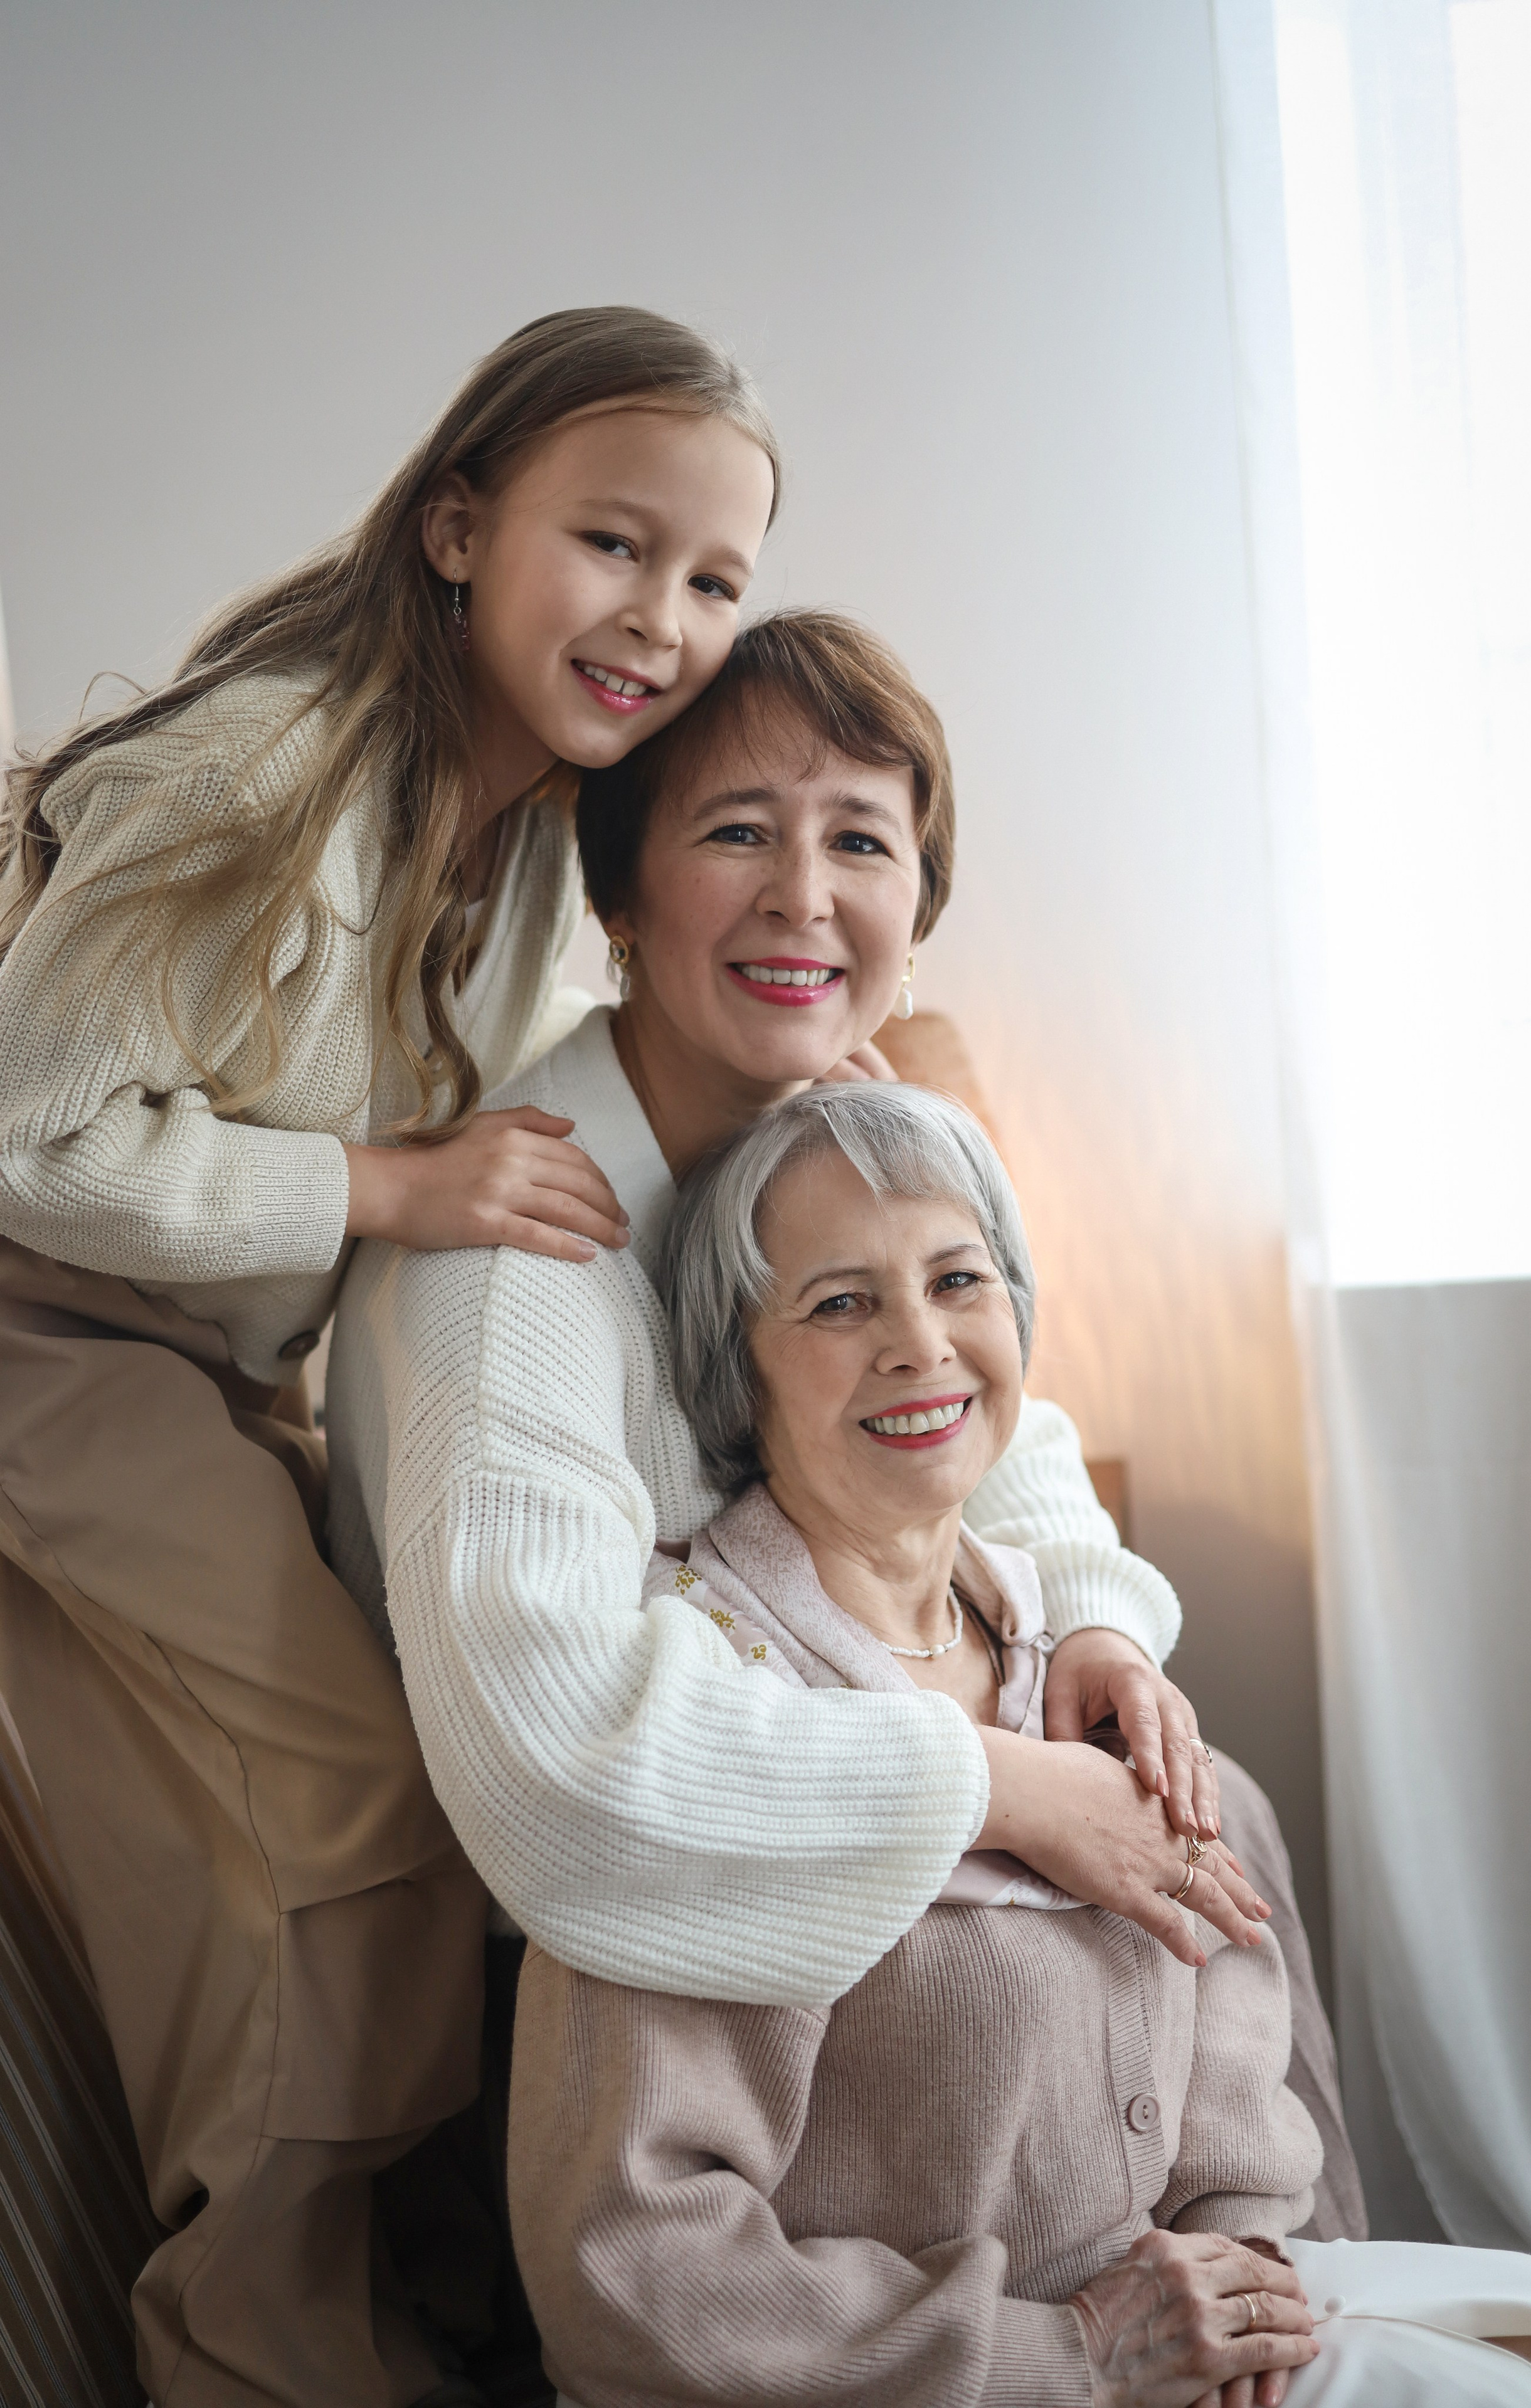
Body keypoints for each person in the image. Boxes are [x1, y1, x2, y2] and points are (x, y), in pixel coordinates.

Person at [0, 305, 780, 2408]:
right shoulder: (256, 771)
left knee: (444, 1796)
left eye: (715, 578)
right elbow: (30, 1132)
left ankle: (409, 2292)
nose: (665, 618)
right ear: (458, 525)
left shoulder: (533, 837)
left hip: (221, 1361)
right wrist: (386, 1189)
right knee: (347, 1817)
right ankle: (250, 2345)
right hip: (45, 1323)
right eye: (615, 545)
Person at [511, 1080, 1531, 2408]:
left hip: (1205, 2353)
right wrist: (1077, 2352)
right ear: (734, 1364)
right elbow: (630, 2282)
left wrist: (1230, 2258)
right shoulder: (713, 1742)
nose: (920, 1344)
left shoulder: (1075, 1662)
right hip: (940, 2383)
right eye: (838, 1302)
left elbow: (1231, 2019)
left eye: (958, 1280)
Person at [327, 608, 1280, 2023]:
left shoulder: (845, 1133)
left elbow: (983, 1416)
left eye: (858, 841)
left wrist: (1091, 1631)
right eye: (735, 833)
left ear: (920, 903)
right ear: (618, 900)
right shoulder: (510, 1252)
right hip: (623, 1968)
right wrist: (1001, 1783)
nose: (802, 898)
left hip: (861, 1773)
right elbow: (557, 1761)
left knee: (1218, 1816)